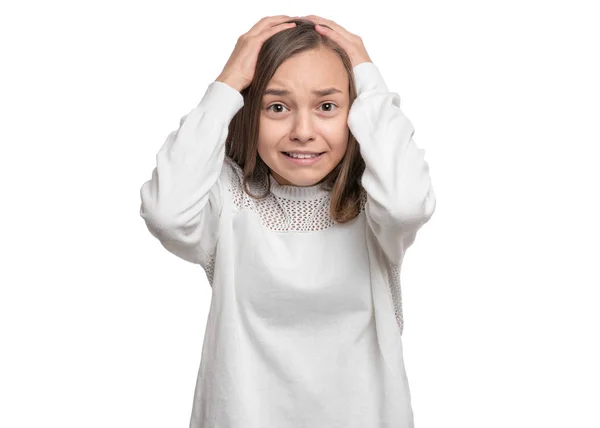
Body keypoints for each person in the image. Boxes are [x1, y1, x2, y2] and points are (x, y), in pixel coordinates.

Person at [139, 14, 436, 428]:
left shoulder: (376, 204)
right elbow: (166, 212)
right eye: (277, 107)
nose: (302, 130)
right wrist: (225, 86)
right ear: (249, 111)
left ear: (356, 115)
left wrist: (369, 78)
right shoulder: (227, 198)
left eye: (327, 106)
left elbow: (407, 203)